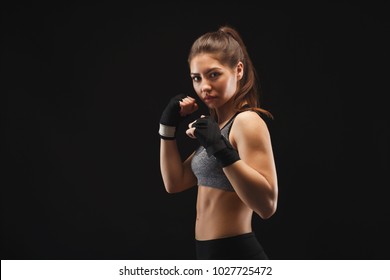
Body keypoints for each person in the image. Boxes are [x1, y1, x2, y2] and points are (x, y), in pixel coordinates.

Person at [158, 25, 278, 260]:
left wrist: (219, 148)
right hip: (208, 254)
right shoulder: (216, 128)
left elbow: (267, 205)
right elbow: (175, 182)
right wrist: (167, 129)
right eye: (196, 78)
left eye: (214, 74)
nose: (204, 86)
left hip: (236, 253)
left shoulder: (246, 122)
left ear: (238, 70)